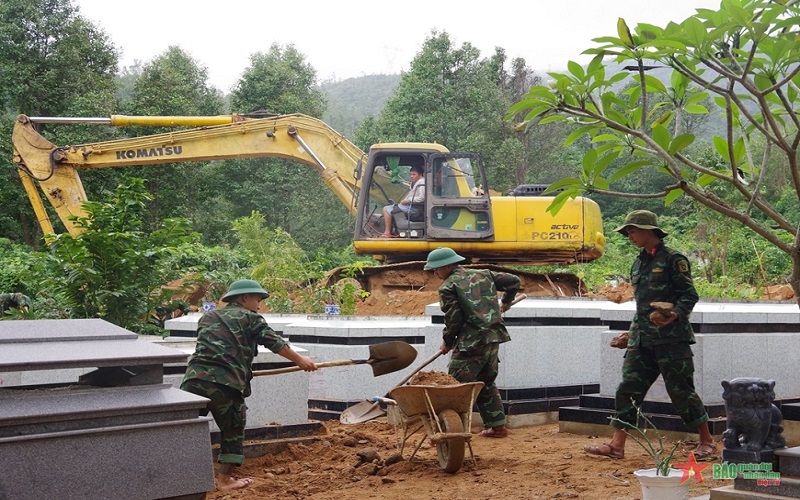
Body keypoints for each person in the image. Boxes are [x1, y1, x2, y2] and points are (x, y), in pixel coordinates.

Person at [583, 210, 716, 460]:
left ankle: (707, 441)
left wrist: (674, 314)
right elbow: (642, 306)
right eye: (628, 232)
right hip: (641, 339)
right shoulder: (638, 262)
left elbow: (689, 295)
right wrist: (630, 334)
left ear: (648, 230)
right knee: (628, 389)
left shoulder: (673, 259)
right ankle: (616, 445)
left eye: (632, 230)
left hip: (671, 339)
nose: (629, 235)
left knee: (681, 391)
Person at [180, 279, 317, 491]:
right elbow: (275, 343)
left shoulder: (208, 316)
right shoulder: (251, 318)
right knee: (232, 429)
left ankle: (179, 479)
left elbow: (218, 347)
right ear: (244, 298)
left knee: (184, 429)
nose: (260, 305)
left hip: (193, 381)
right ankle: (225, 480)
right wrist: (301, 360)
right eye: (258, 299)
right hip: (225, 385)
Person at [424, 247, 520, 438]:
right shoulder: (483, 274)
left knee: (454, 387)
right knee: (486, 382)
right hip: (493, 338)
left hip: (471, 344)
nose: (434, 273)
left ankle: (447, 433)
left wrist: (447, 342)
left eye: (436, 269)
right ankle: (497, 427)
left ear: (449, 266)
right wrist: (506, 301)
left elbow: (454, 319)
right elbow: (514, 282)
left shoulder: (448, 287)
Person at [381, 165, 425, 237]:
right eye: (410, 174)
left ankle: (387, 232)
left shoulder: (422, 183)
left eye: (414, 174)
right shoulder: (416, 183)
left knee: (386, 209)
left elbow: (422, 198)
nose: (411, 176)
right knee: (392, 207)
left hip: (415, 209)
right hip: (412, 206)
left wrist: (407, 200)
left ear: (420, 174)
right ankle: (393, 231)